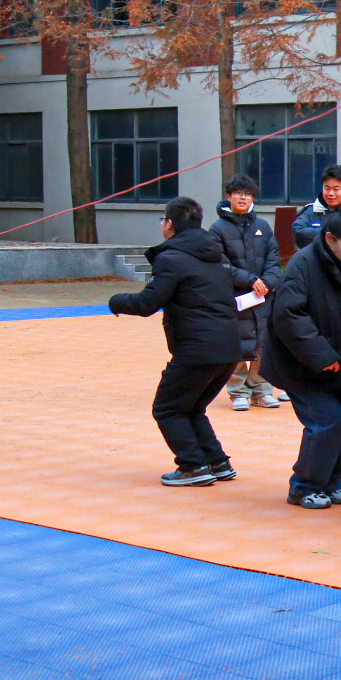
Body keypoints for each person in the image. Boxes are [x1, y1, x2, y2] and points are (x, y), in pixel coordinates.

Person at [108, 197, 243, 486]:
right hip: (230, 346)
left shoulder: (172, 258)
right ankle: (217, 462)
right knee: (191, 407)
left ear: (169, 224)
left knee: (167, 407)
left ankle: (193, 466)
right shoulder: (217, 256)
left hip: (198, 348)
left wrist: (116, 301)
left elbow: (147, 303)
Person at [264, 212, 341, 510]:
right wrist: (321, 354)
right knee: (327, 423)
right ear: (329, 238)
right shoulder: (302, 264)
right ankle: (304, 486)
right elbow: (288, 315)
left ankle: (330, 481)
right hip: (303, 365)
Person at [211, 175, 282, 410]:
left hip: (263, 297)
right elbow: (219, 265)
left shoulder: (263, 226)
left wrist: (267, 282)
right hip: (235, 298)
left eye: (248, 194)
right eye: (238, 193)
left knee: (263, 344)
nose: (243, 198)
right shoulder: (217, 229)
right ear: (228, 196)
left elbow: (274, 260)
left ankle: (262, 390)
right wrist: (250, 280)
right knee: (238, 346)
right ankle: (238, 392)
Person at [292, 164, 341, 250]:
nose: (331, 193)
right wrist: (334, 233)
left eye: (336, 189)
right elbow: (298, 233)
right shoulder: (311, 210)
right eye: (327, 188)